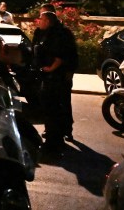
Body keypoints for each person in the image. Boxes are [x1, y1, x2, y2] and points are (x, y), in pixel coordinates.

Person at [32, 10, 77, 156]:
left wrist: (50, 68)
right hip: (49, 76)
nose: (39, 21)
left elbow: (60, 56)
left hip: (56, 78)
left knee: (53, 109)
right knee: (52, 109)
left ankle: (54, 142)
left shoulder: (58, 34)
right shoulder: (42, 33)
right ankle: (55, 139)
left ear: (48, 21)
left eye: (41, 19)